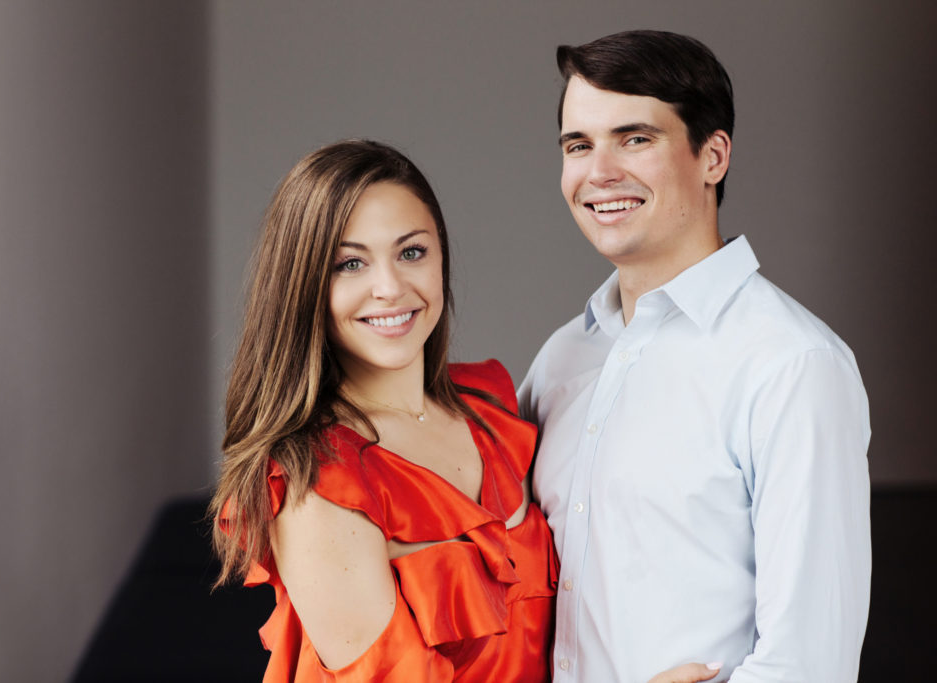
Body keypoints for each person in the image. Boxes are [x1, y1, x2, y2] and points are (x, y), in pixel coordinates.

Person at [210, 139, 723, 682]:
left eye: (411, 252)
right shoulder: (315, 480)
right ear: (305, 283)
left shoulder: (495, 412)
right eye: (350, 264)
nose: (389, 288)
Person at [518, 30, 871, 682]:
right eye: (578, 145)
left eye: (635, 138)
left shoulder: (793, 364)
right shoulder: (561, 359)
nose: (599, 172)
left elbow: (811, 663)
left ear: (713, 156)